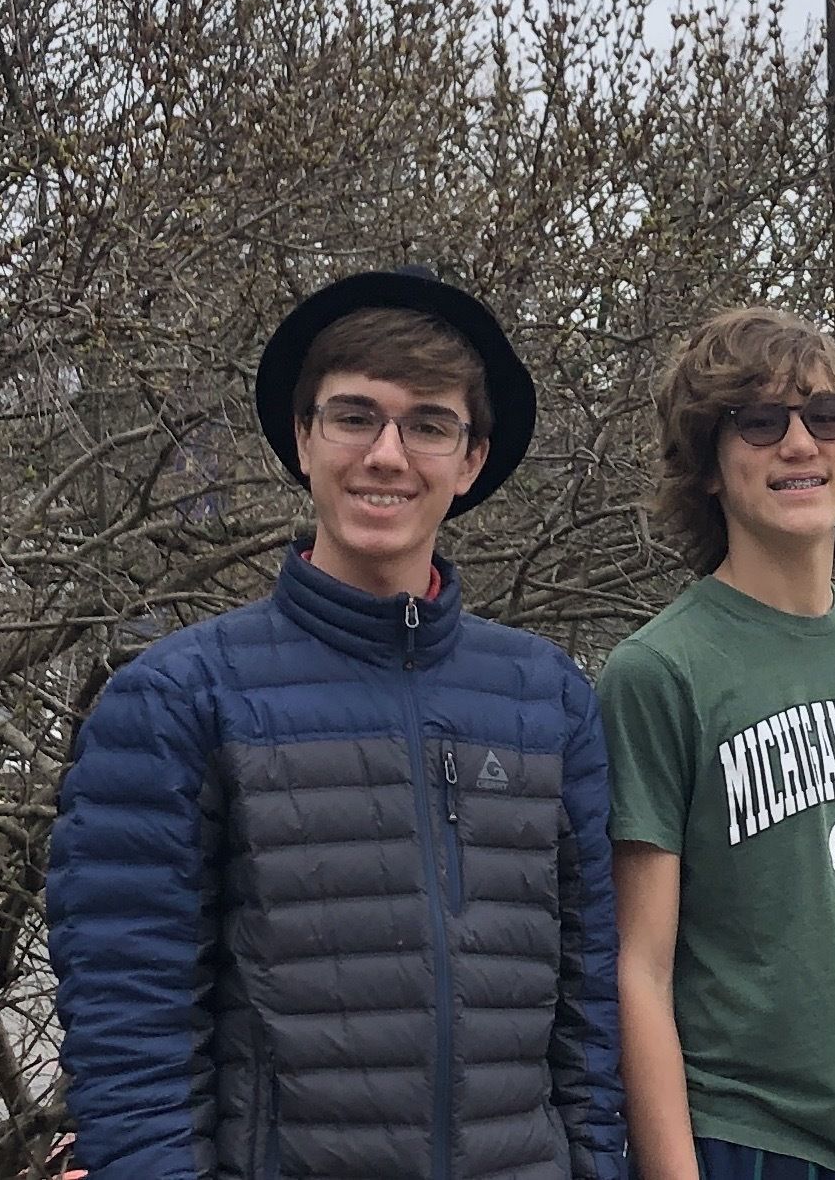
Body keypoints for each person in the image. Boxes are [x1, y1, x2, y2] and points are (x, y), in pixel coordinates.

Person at [48, 268, 625, 1180]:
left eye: (428, 424)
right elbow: (131, 1028)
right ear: (304, 437)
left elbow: (592, 1016)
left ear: (471, 459)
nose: (388, 455)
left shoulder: (546, 697)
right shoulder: (178, 699)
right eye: (356, 416)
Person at [597, 306, 835, 1180]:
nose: (800, 444)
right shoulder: (660, 671)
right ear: (707, 464)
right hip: (748, 1142)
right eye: (760, 422)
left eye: (825, 418)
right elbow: (641, 967)